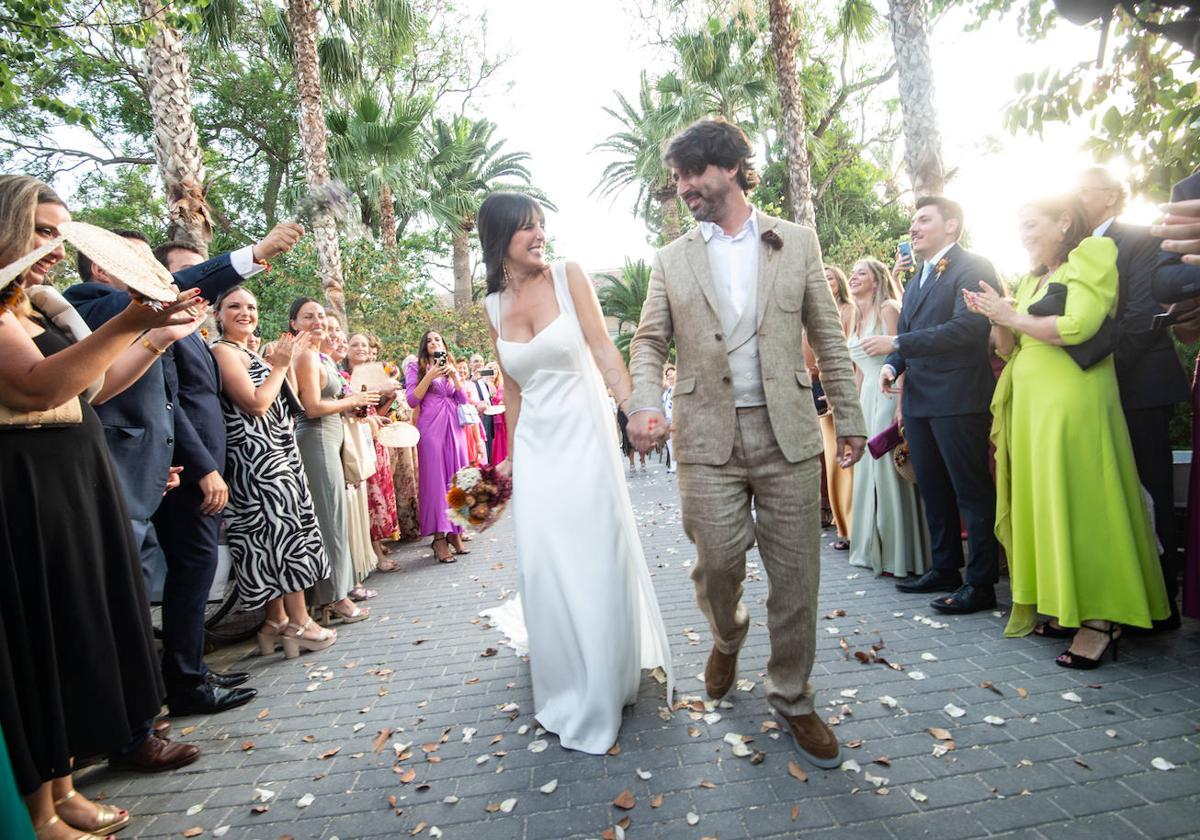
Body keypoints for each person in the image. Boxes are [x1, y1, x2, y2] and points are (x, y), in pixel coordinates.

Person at [627, 119, 866, 769]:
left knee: (796, 579)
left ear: (730, 168)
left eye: (690, 174)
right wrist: (645, 403)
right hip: (706, 439)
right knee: (717, 565)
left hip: (788, 433)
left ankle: (792, 695)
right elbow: (649, 341)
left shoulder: (797, 242)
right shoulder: (671, 259)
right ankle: (727, 636)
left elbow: (828, 336)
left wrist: (850, 418)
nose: (682, 190)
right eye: (676, 179)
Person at [0, 175, 205, 837]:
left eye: (61, 233)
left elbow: (91, 385)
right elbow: (36, 389)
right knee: (40, 641)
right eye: (41, 232)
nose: (55, 248)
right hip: (25, 483)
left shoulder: (42, 307)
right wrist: (127, 318)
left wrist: (155, 336)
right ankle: (38, 808)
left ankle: (62, 790)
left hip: (71, 476)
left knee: (71, 631)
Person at [478, 190, 674, 754]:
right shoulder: (491, 306)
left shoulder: (569, 276)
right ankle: (567, 679)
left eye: (542, 225)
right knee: (548, 563)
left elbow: (605, 352)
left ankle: (605, 680)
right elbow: (512, 388)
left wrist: (635, 406)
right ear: (500, 241)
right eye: (526, 229)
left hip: (586, 441)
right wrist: (511, 459)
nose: (539, 236)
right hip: (538, 451)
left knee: (593, 553)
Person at [966, 195, 1170, 667]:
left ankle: (1101, 619)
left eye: (1031, 222)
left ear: (1063, 222)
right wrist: (994, 316)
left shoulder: (1092, 255)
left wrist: (1012, 314)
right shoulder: (1032, 278)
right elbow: (1008, 345)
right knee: (1048, 503)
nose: (1023, 233)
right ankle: (1065, 604)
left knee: (1084, 501)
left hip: (1075, 400)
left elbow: (1080, 325)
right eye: (1019, 226)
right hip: (1033, 404)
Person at [149, 230, 302, 714]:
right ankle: (187, 683)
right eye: (189, 273)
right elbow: (172, 405)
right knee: (192, 575)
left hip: (212, 468)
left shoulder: (194, 336)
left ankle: (194, 671)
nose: (201, 283)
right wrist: (203, 469)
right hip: (189, 472)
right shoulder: (165, 335)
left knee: (195, 576)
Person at [1075, 167, 1189, 631]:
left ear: (1111, 196)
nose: (1077, 197)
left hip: (1139, 385)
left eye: (1085, 189)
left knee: (1152, 488)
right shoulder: (1072, 251)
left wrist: (1095, 372)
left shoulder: (1140, 239)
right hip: (1094, 390)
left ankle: (1163, 600)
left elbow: (1143, 317)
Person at [879, 197, 1002, 614]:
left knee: (971, 490)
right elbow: (911, 333)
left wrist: (897, 344)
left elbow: (966, 328)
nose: (913, 227)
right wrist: (893, 367)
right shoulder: (917, 279)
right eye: (912, 220)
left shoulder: (973, 266)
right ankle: (945, 566)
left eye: (923, 219)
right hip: (919, 401)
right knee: (932, 488)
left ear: (951, 226)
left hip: (958, 397)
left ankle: (982, 583)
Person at [210, 287, 337, 658]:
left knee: (282, 533)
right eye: (234, 306)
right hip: (256, 459)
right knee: (280, 537)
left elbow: (291, 400)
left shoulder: (252, 351)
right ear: (218, 314)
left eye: (251, 306)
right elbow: (255, 404)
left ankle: (276, 623)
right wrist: (280, 364)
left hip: (280, 451)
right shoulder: (223, 351)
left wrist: (286, 360)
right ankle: (297, 623)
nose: (245, 312)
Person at [845, 258, 931, 577]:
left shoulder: (888, 309)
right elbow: (857, 370)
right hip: (866, 397)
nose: (853, 277)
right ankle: (871, 548)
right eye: (852, 273)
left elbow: (904, 354)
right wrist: (851, 411)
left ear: (877, 280)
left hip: (889, 396)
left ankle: (902, 554)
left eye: (861, 273)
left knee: (888, 472)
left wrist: (901, 404)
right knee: (868, 473)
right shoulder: (855, 316)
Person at [290, 298, 374, 624]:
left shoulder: (320, 356)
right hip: (316, 440)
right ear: (294, 324)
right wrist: (350, 401)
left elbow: (330, 400)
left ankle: (336, 592)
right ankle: (335, 597)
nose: (317, 321)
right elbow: (310, 407)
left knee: (336, 517)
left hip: (332, 438)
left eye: (321, 315)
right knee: (329, 520)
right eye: (308, 316)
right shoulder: (306, 357)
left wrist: (352, 405)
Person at [406, 331, 473, 562]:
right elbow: (412, 399)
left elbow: (463, 399)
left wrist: (455, 378)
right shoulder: (416, 367)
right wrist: (430, 375)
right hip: (431, 427)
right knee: (435, 482)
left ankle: (456, 532)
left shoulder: (450, 365)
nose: (434, 342)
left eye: (438, 339)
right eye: (429, 340)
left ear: (444, 344)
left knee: (457, 479)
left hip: (455, 427)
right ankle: (439, 539)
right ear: (424, 346)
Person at [345, 332, 402, 571]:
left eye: (364, 345)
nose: (360, 348)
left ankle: (375, 548)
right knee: (367, 498)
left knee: (377, 496)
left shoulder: (374, 376)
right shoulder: (344, 377)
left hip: (374, 440)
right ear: (347, 349)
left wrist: (389, 399)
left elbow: (373, 414)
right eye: (355, 344)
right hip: (353, 441)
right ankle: (376, 554)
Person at [811, 264, 854, 549]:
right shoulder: (811, 311)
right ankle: (833, 516)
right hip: (814, 383)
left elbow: (846, 352)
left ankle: (850, 524)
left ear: (839, 281)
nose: (826, 282)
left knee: (844, 457)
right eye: (821, 278)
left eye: (830, 277)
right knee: (825, 458)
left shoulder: (849, 311)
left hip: (841, 386)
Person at [469, 353, 495, 455]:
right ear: (470, 365)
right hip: (476, 420)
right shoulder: (467, 379)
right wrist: (472, 380)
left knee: (489, 448)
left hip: (489, 418)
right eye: (476, 361)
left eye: (481, 361)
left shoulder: (485, 382)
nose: (479, 363)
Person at [487, 362, 509, 465]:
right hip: (488, 419)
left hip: (502, 420)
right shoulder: (483, 384)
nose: (492, 371)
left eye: (494, 369)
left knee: (502, 442)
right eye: (489, 368)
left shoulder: (502, 385)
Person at [661, 364, 676, 473]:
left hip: (675, 420)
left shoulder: (677, 388)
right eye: (668, 376)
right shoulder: (666, 392)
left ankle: (678, 466)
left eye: (671, 376)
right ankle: (673, 466)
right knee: (670, 445)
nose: (670, 378)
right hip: (667, 420)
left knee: (676, 444)